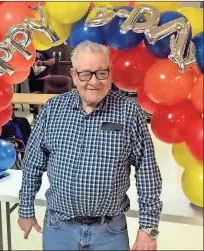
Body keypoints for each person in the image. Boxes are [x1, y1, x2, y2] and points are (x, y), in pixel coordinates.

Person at [18, 40, 162, 251]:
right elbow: (32, 164)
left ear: (110, 73)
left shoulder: (130, 113)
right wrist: (25, 209)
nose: (93, 81)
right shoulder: (53, 110)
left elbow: (147, 172)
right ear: (74, 76)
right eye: (85, 74)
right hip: (59, 228)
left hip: (109, 231)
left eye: (101, 73)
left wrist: (149, 228)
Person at [28, 50, 56, 121]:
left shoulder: (43, 49)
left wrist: (43, 62)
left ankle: (47, 118)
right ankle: (36, 118)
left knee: (45, 100)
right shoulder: (28, 49)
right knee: (33, 101)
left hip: (45, 79)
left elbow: (53, 61)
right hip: (32, 79)